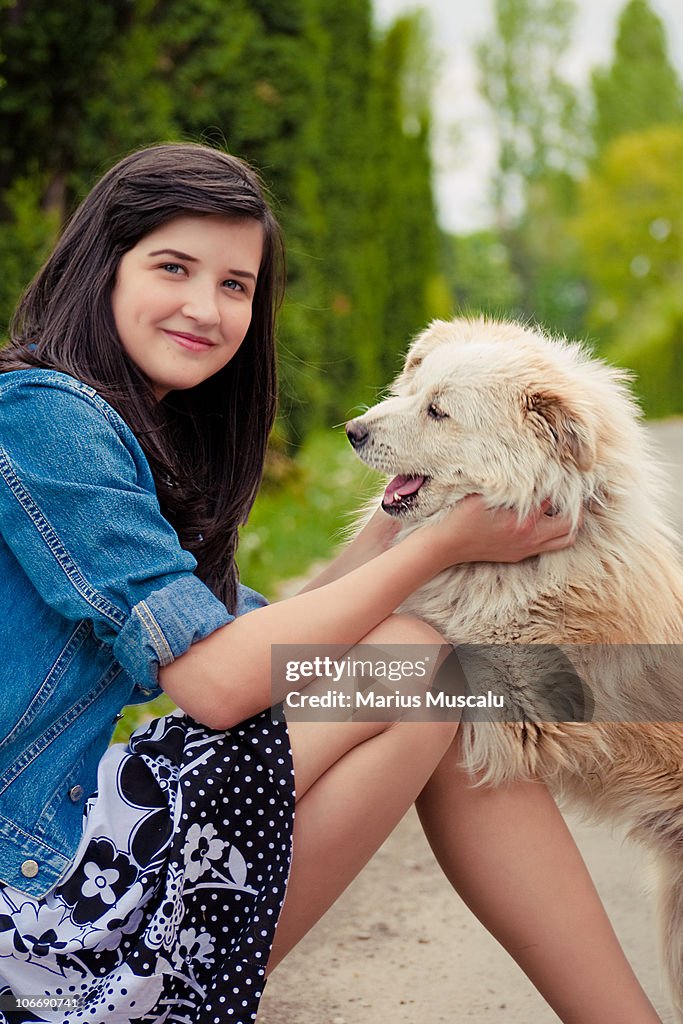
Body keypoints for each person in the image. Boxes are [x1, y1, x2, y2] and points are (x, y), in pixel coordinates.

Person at [0, 143, 660, 1024]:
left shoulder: (124, 435)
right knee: (426, 663)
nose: (207, 306)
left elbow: (286, 642)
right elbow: (224, 681)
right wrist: (440, 545)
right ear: (102, 266)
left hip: (78, 871)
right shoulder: (43, 418)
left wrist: (413, 502)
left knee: (454, 687)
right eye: (173, 267)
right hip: (39, 913)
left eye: (236, 285)